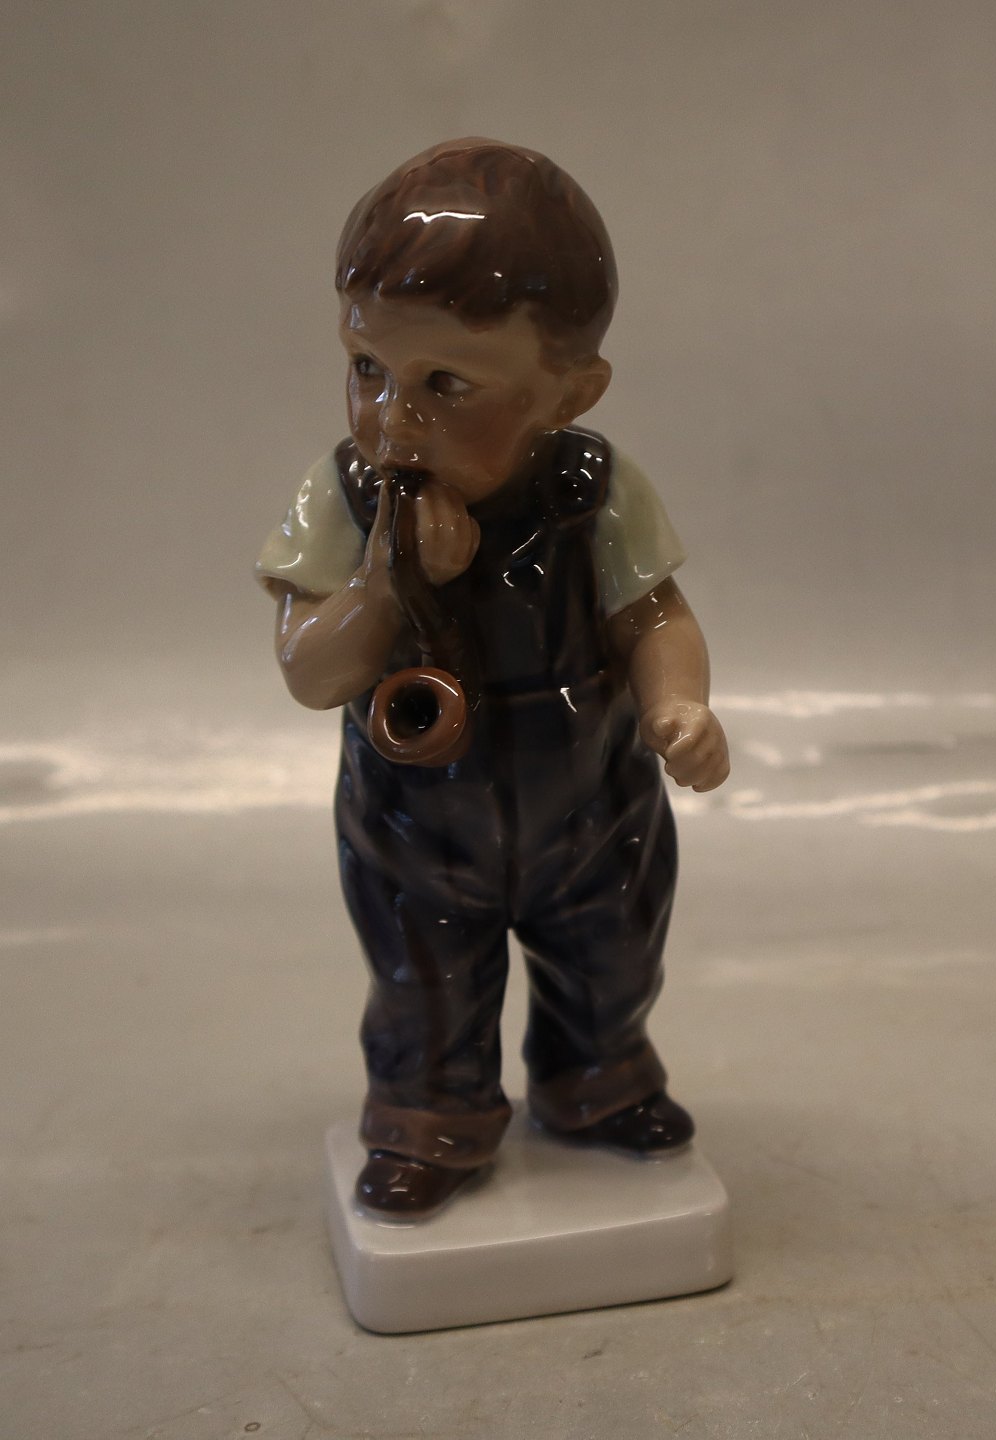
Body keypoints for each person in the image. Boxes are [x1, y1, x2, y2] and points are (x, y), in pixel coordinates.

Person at [256, 138, 729, 1219]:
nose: (389, 420)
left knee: (613, 958)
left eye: (445, 384)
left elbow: (654, 613)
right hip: (417, 828)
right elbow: (308, 670)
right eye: (366, 368)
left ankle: (596, 1080)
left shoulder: (593, 490)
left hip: (594, 810)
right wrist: (384, 585)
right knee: (423, 984)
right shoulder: (345, 496)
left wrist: (676, 702)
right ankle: (432, 1116)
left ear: (568, 392)